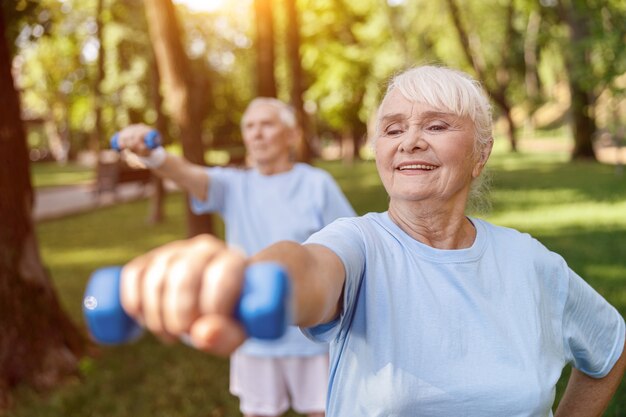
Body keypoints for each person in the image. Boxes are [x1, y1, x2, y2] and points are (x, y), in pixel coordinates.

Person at [119, 66, 626, 416]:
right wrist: (252, 277)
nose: (410, 140)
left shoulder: (531, 262)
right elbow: (311, 268)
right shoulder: (360, 244)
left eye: (437, 125)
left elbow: (610, 347)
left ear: (481, 154)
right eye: (392, 128)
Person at [115, 97, 356, 417]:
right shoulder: (235, 185)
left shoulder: (316, 183)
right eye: (250, 126)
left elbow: (348, 246)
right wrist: (153, 155)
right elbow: (189, 175)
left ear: (291, 135)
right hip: (251, 330)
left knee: (323, 410)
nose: (256, 134)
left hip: (309, 333)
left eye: (267, 125)